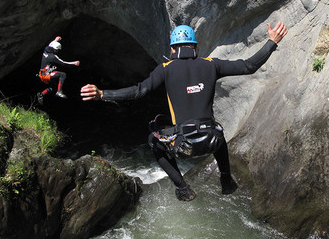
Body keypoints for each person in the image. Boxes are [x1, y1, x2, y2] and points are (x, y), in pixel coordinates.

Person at [80, 21, 288, 201]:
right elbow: (248, 66)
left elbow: (139, 90)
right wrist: (272, 42)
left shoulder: (166, 68)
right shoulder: (211, 65)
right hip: (211, 140)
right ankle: (226, 178)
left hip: (184, 144)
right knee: (217, 130)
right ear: (195, 47)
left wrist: (102, 94)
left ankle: (182, 187)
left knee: (154, 139)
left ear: (172, 49)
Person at [37, 36, 80, 104]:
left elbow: (51, 44)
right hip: (45, 75)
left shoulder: (46, 49)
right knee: (62, 75)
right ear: (54, 49)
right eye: (57, 50)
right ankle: (59, 91)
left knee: (54, 86)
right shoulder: (53, 57)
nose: (57, 52)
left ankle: (41, 94)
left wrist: (55, 40)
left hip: (42, 73)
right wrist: (74, 63)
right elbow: (63, 63)